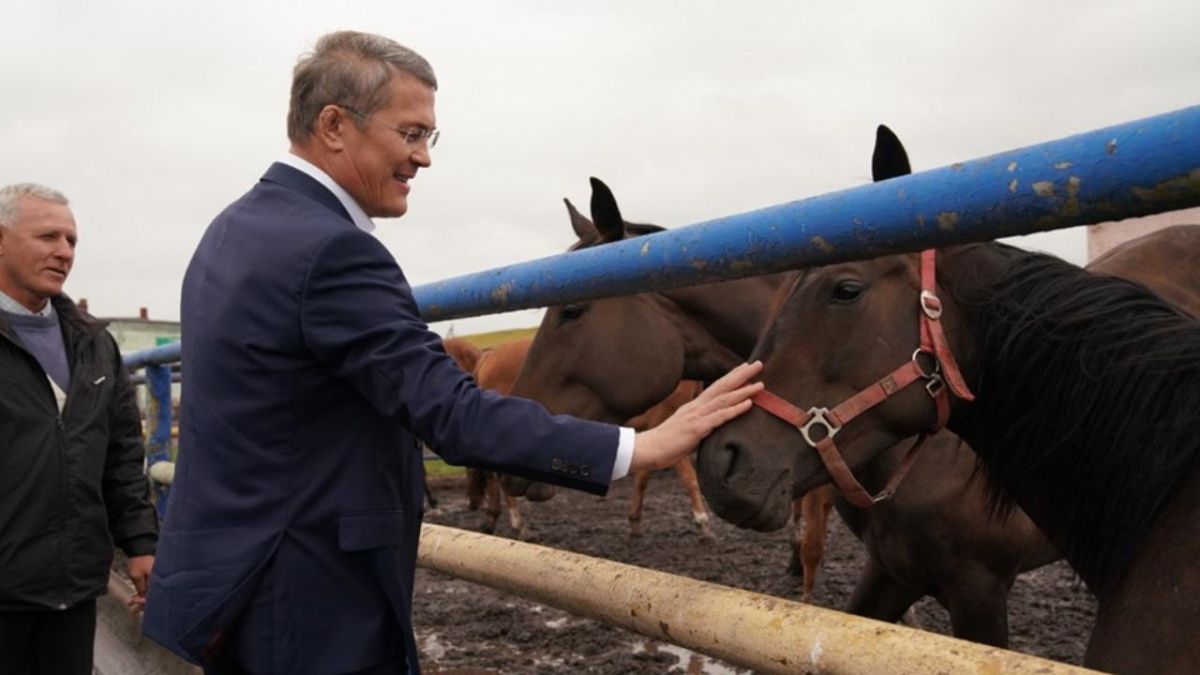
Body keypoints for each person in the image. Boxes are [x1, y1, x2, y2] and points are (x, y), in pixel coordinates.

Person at [141, 30, 763, 675]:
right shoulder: (332, 250)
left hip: (237, 577)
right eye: (411, 134)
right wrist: (641, 446)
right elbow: (454, 414)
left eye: (428, 138)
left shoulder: (232, 229)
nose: (424, 158)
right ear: (333, 125)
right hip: (306, 592)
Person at [0, 183, 159, 674]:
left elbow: (121, 457)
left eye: (71, 241)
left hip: (73, 589)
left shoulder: (95, 344)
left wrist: (141, 544)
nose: (64, 252)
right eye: (48, 237)